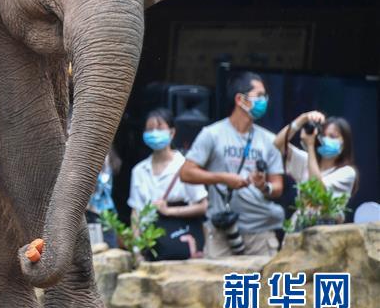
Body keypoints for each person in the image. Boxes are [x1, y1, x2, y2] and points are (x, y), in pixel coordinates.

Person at [180, 72, 286, 257]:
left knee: (261, 277)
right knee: (218, 277)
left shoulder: (270, 140)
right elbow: (186, 173)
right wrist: (222, 178)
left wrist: (264, 186)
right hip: (221, 229)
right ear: (240, 99)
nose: (264, 101)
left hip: (260, 232)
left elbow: (278, 187)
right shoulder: (212, 134)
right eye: (259, 95)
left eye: (265, 96)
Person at [128, 108, 207, 221]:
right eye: (150, 129)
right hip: (148, 232)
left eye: (159, 128)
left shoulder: (185, 166)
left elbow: (203, 206)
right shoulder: (138, 170)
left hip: (179, 229)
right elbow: (135, 211)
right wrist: (135, 232)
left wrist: (169, 211)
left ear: (172, 132)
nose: (154, 133)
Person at [274, 112, 358, 200]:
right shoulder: (306, 160)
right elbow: (278, 143)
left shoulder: (347, 172)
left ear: (345, 143)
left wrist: (310, 145)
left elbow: (318, 192)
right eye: (323, 135)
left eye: (332, 136)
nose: (326, 139)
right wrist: (302, 119)